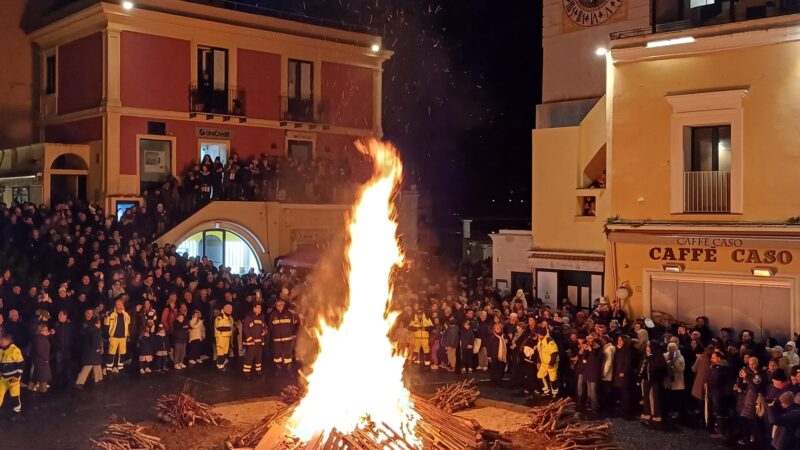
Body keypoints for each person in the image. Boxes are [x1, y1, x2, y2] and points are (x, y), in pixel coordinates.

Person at [640, 340, 667, 423]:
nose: (647, 348)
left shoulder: (658, 357)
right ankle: (647, 413)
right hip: (647, 379)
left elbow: (660, 369)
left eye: (648, 346)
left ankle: (656, 414)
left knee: (655, 397)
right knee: (646, 396)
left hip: (655, 380)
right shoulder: (647, 356)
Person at [268, 298, 297, 376]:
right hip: (277, 340)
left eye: (280, 305)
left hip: (287, 339)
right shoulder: (272, 315)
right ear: (275, 306)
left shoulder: (289, 314)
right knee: (277, 356)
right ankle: (278, 369)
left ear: (283, 305)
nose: (279, 306)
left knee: (288, 355)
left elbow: (292, 326)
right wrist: (270, 338)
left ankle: (289, 370)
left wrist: (293, 334)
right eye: (277, 305)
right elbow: (270, 328)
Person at [75, 317, 103, 389]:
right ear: (96, 324)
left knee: (97, 365)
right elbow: (95, 341)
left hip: (88, 352)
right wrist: (98, 348)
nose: (100, 324)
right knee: (88, 367)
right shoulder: (95, 331)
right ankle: (79, 382)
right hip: (92, 352)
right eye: (99, 323)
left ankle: (98, 379)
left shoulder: (89, 329)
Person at [103, 299, 131, 373]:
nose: (117, 305)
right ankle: (109, 367)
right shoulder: (110, 314)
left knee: (122, 352)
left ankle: (120, 366)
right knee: (111, 352)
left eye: (118, 304)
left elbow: (127, 325)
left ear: (122, 305)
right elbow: (106, 326)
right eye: (116, 304)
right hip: (113, 336)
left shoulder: (126, 314)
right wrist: (107, 335)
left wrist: (128, 335)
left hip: (122, 337)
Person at [0, 333, 24, 414]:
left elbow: (21, 364)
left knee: (14, 395)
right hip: (3, 377)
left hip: (13, 378)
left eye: (2, 340)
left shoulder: (15, 350)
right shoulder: (1, 350)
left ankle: (17, 412)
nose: (0, 341)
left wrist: (17, 376)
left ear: (7, 340)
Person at [242, 303, 266, 377]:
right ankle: (246, 373)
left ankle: (258, 371)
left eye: (260, 308)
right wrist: (250, 339)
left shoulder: (261, 318)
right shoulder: (249, 317)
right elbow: (245, 329)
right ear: (254, 309)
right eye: (258, 308)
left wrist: (264, 332)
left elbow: (264, 327)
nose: (260, 309)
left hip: (259, 342)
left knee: (259, 358)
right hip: (252, 342)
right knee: (249, 358)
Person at [663, 342, 686, 419]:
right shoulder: (666, 355)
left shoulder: (680, 358)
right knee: (670, 397)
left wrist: (674, 361)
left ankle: (677, 412)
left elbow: (681, 369)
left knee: (677, 398)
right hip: (669, 381)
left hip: (678, 382)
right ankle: (671, 410)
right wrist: (668, 362)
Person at [536, 327, 560, 398]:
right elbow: (539, 352)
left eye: (539, 334)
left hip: (551, 364)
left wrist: (551, 364)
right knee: (540, 376)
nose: (538, 335)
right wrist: (538, 362)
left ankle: (555, 394)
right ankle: (546, 392)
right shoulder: (540, 341)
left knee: (552, 379)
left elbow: (554, 353)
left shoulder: (549, 341)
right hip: (544, 363)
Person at [30, 323, 53, 393]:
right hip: (41, 361)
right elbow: (40, 351)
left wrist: (50, 334)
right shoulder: (39, 339)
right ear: (41, 331)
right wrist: (46, 359)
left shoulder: (42, 337)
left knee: (38, 377)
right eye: (45, 330)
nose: (47, 331)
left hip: (41, 361)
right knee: (42, 378)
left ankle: (32, 389)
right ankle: (42, 392)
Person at [214, 304, 234, 370]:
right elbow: (220, 327)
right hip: (221, 337)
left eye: (230, 309)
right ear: (224, 309)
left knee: (225, 351)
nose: (229, 310)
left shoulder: (227, 318)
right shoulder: (220, 317)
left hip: (226, 337)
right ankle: (219, 363)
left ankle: (223, 361)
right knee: (221, 351)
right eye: (228, 309)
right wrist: (230, 329)